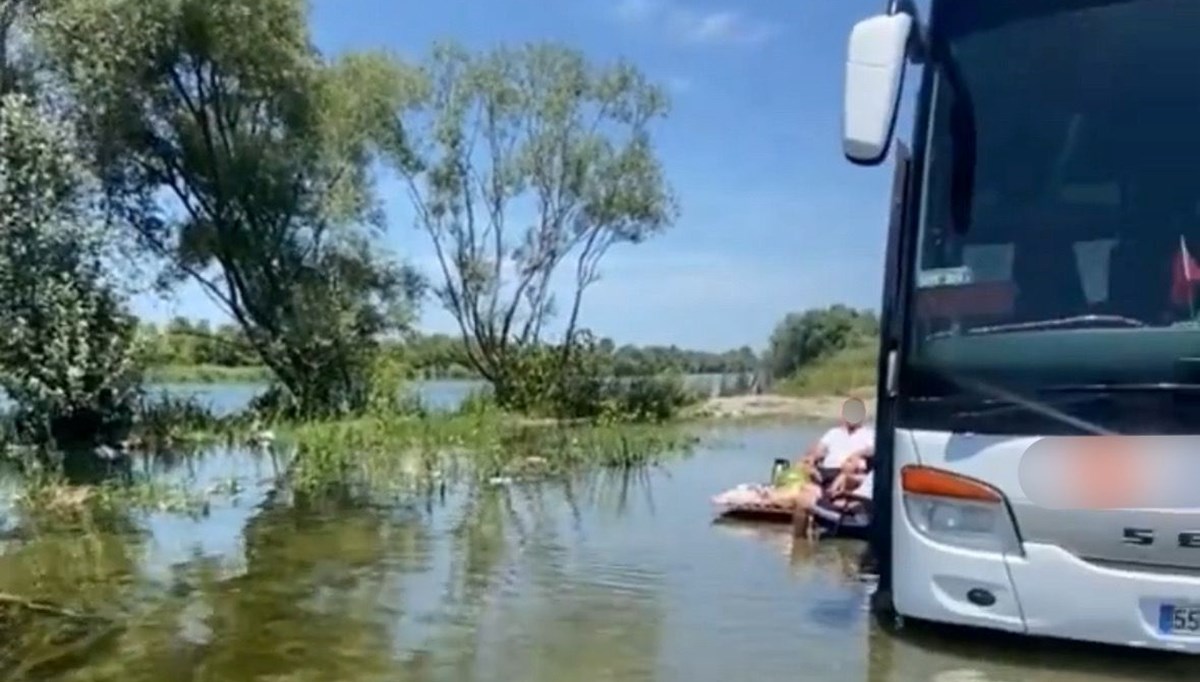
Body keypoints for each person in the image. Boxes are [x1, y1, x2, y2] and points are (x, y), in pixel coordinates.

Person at [797, 397, 874, 487]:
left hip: (848, 471)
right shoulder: (833, 432)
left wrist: (858, 454)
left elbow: (872, 449)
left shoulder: (869, 434)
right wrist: (812, 457)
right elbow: (820, 448)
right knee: (802, 465)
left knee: (851, 468)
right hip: (826, 470)